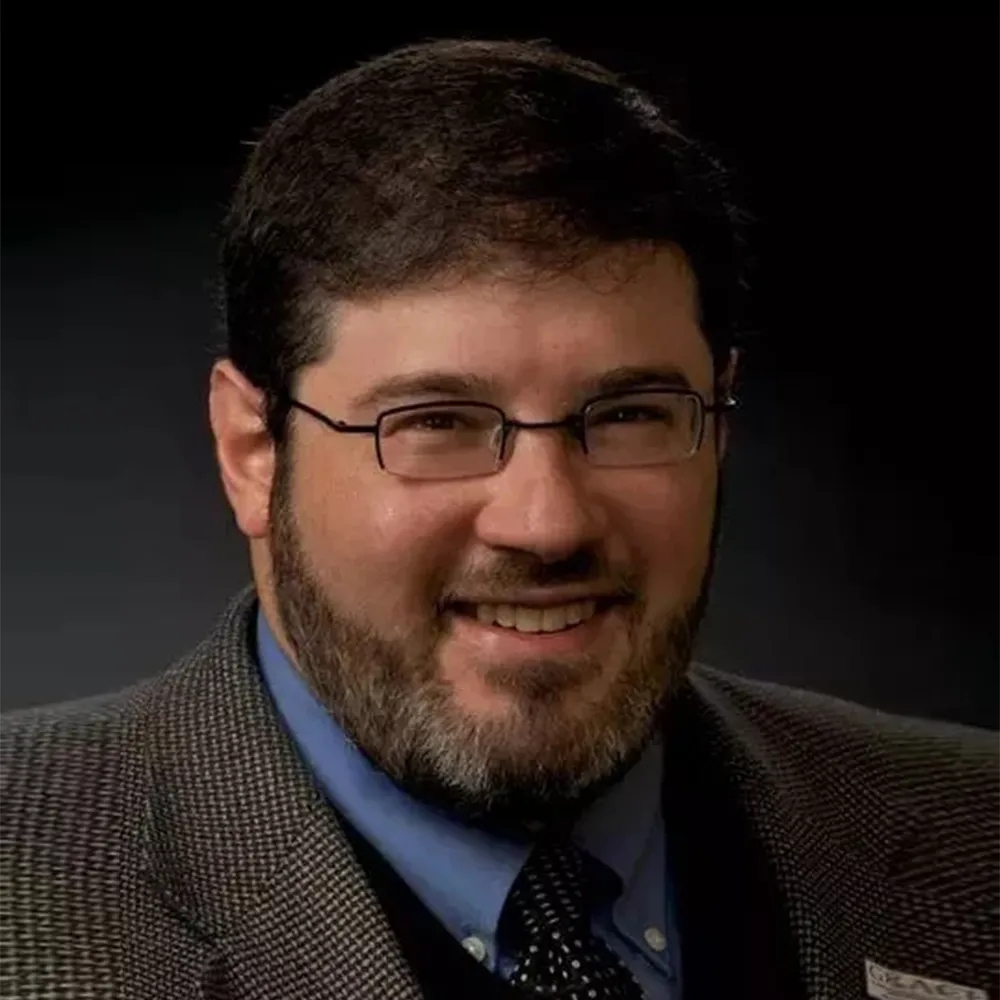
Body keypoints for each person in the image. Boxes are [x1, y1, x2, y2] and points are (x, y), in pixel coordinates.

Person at [1, 37, 996, 1000]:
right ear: (252, 449)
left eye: (628, 415)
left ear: (718, 423)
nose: (547, 522)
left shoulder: (973, 828)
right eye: (436, 422)